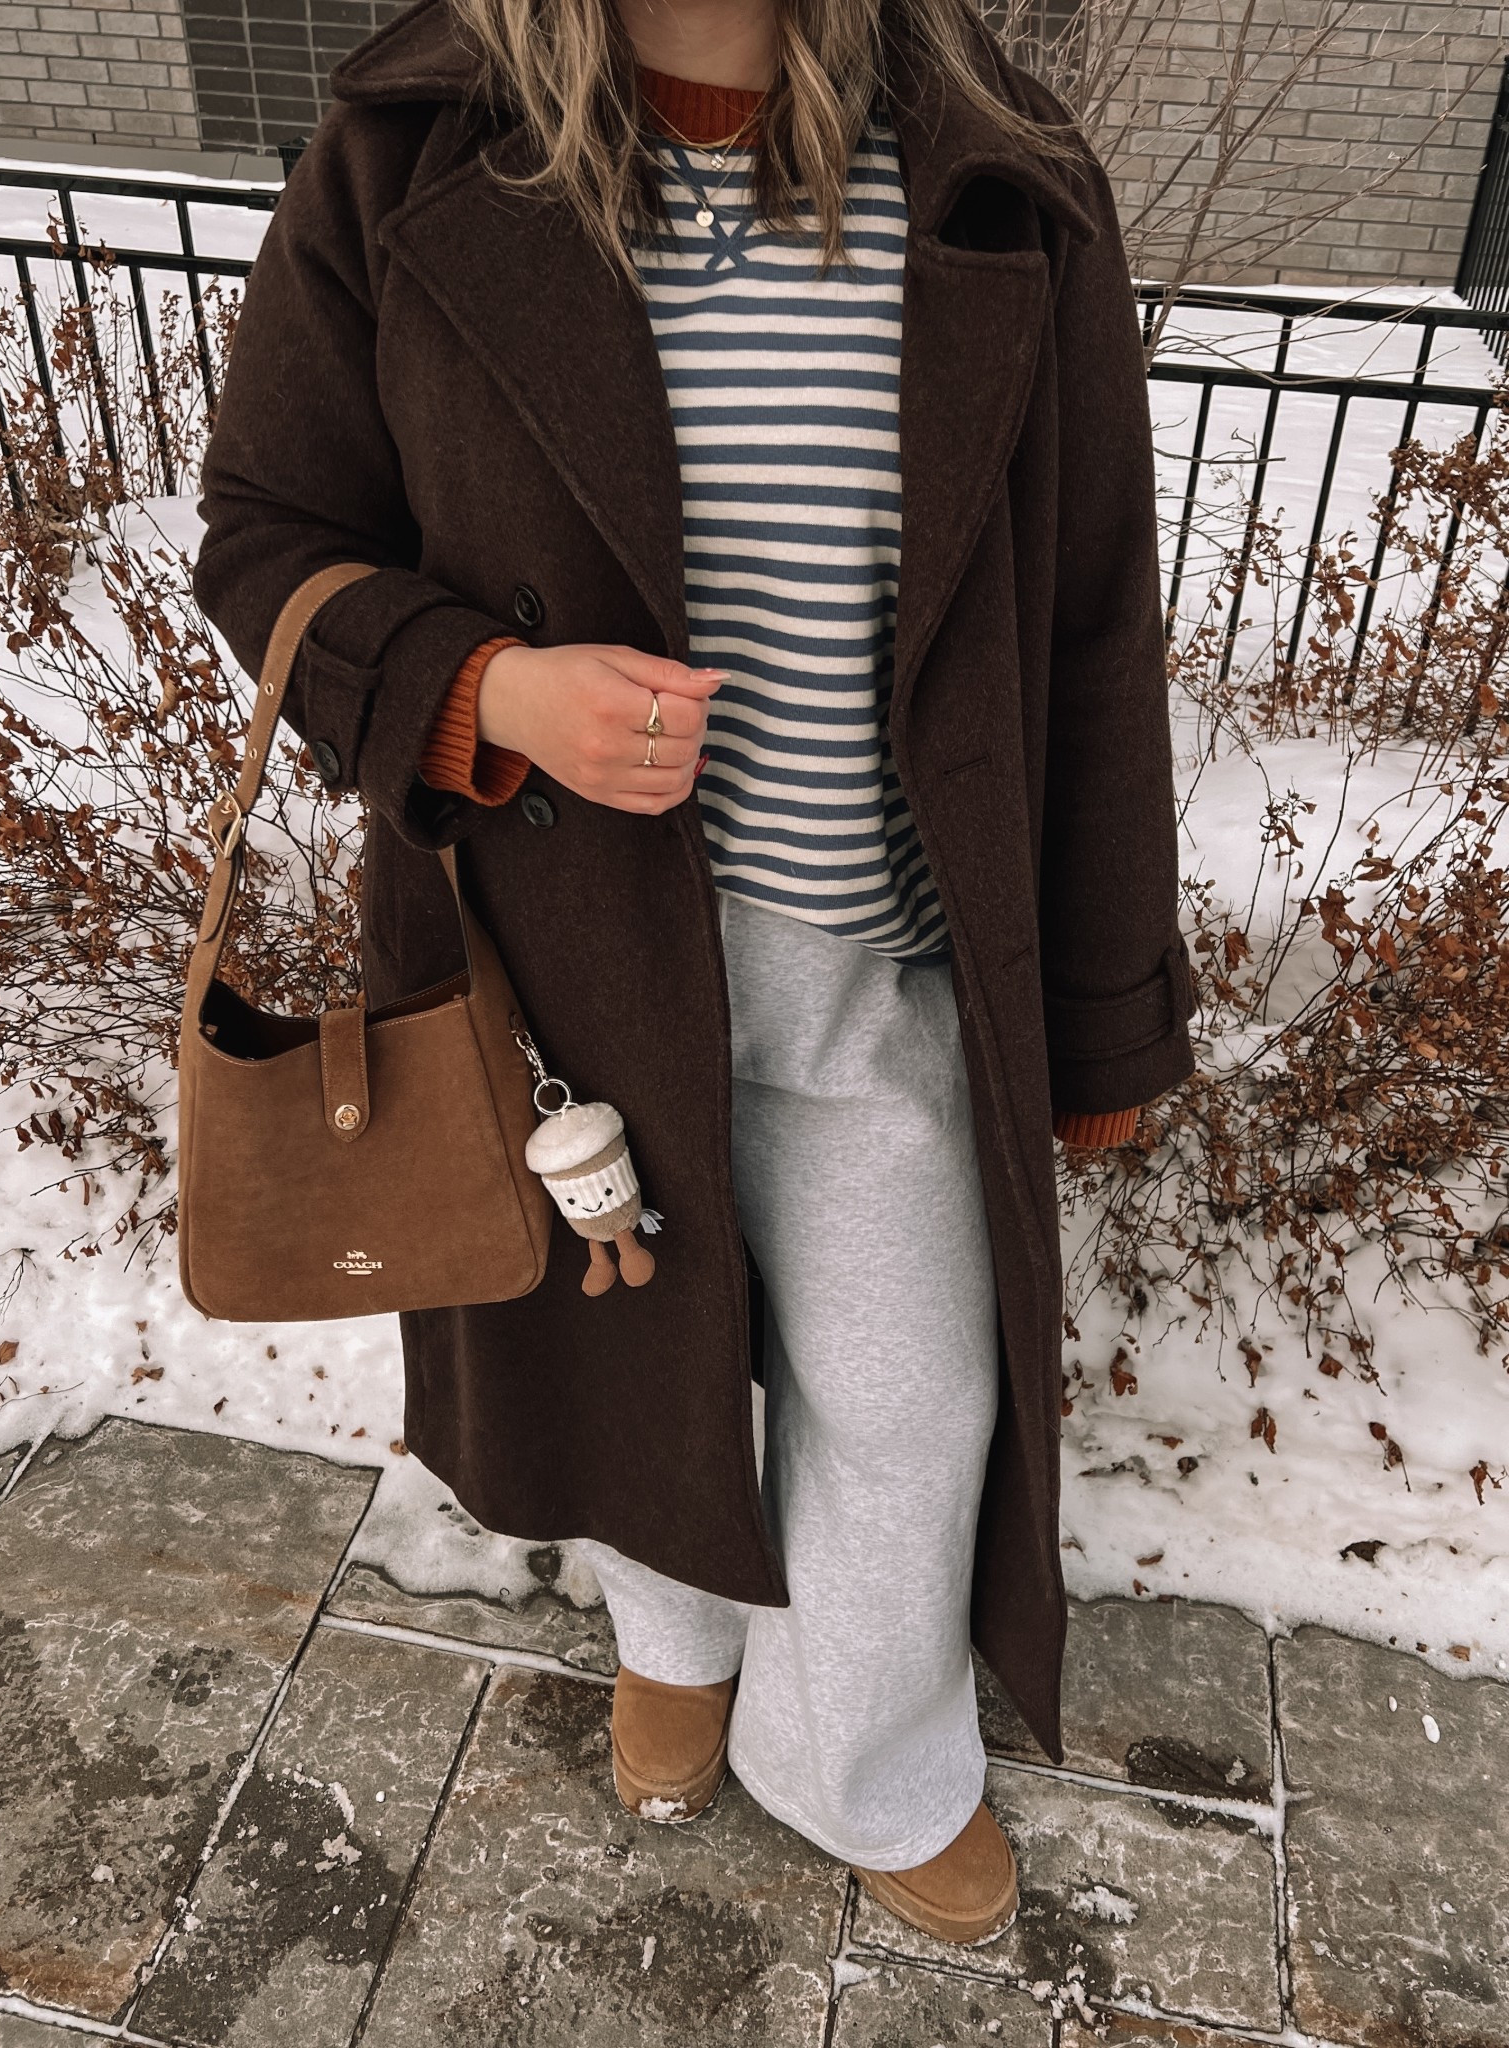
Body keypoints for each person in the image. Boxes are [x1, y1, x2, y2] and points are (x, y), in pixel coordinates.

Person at [191, 0, 1195, 1951]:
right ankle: (677, 1639)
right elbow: (272, 527)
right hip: (567, 964)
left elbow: (1090, 626)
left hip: (884, 961)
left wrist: (1103, 1000)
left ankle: (865, 1749)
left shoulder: (1003, 172)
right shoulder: (415, 146)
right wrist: (491, 693)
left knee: (912, 1402)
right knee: (630, 1347)